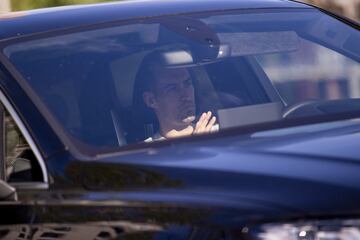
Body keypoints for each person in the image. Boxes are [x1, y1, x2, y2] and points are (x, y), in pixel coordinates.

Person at [134, 51, 218, 142]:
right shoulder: (144, 153)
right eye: (172, 89)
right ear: (151, 100)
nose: (186, 96)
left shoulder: (222, 133)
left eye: (187, 84)